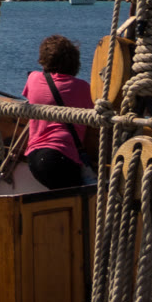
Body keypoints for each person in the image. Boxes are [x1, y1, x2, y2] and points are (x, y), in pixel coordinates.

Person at [23, 33, 94, 189]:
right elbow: (96, 113)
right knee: (84, 199)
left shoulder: (33, 79)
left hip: (34, 158)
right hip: (60, 156)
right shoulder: (82, 87)